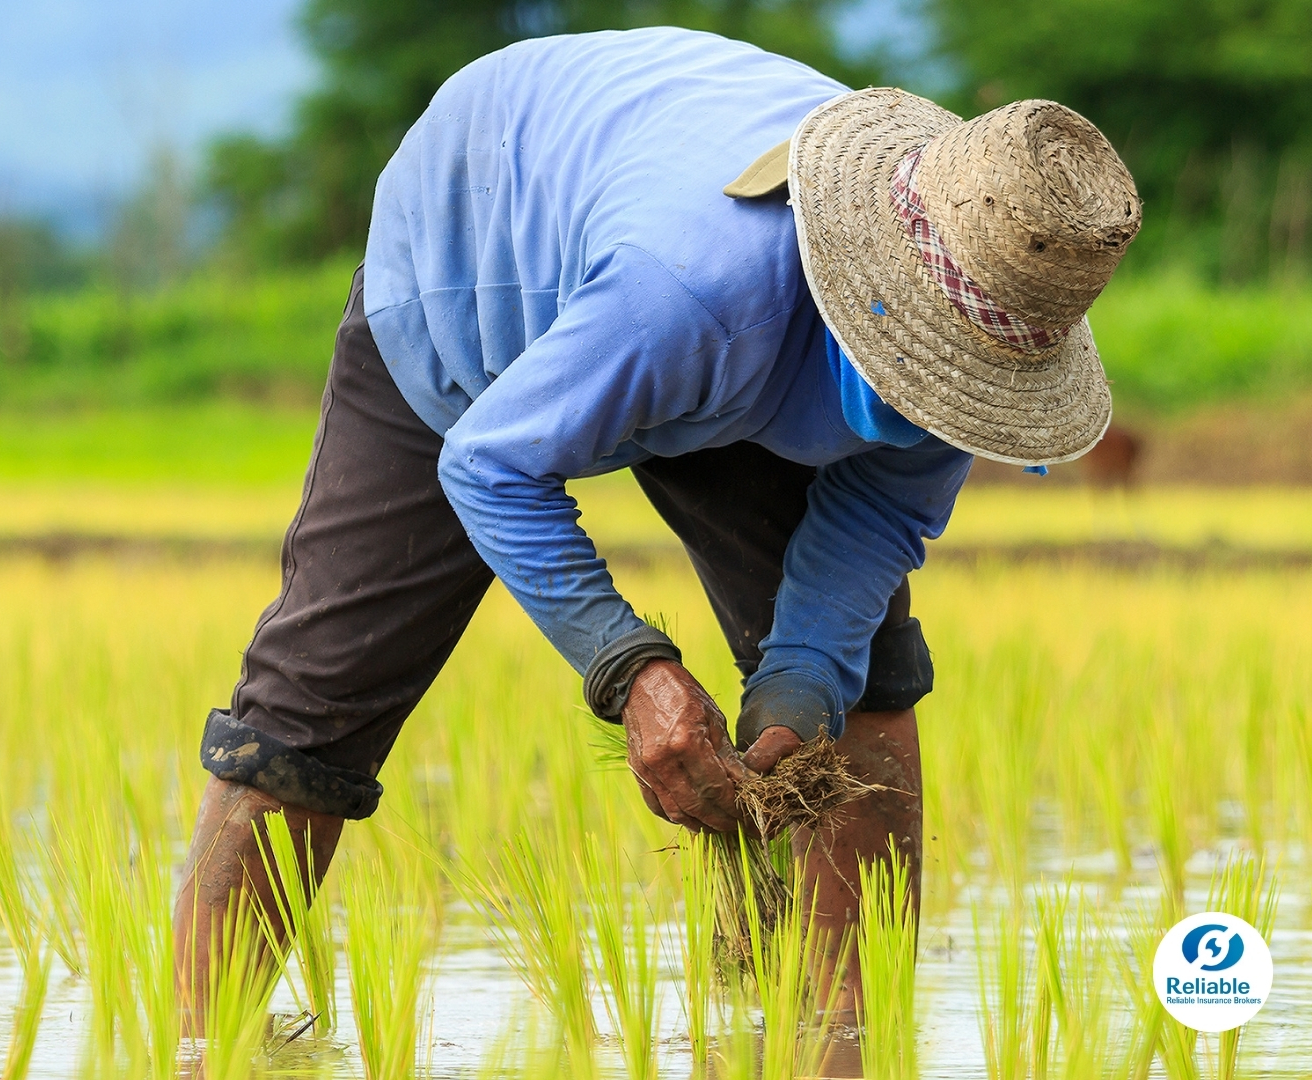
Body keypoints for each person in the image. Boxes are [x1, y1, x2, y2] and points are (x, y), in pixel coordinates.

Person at [173, 26, 1141, 1016]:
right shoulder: (693, 291)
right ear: (871, 298)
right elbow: (491, 463)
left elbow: (876, 521)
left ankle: (847, 1029)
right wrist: (631, 671)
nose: (947, 397)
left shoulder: (990, 314)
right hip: (481, 253)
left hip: (726, 329)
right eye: (933, 369)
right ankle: (201, 1044)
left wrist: (802, 682)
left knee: (863, 686)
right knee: (318, 701)